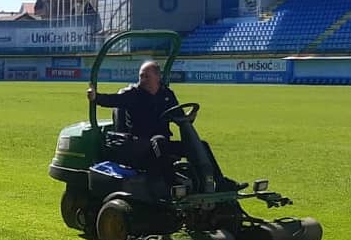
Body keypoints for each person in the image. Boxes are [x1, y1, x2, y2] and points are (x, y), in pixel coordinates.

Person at [87, 61, 240, 190]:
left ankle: (219, 181)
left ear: (157, 77)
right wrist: (95, 97)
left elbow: (179, 115)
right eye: (141, 76)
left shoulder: (167, 95)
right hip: (140, 144)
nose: (143, 79)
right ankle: (171, 183)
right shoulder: (133, 94)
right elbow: (112, 100)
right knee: (159, 140)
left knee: (201, 145)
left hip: (163, 143)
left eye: (147, 76)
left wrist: (188, 118)